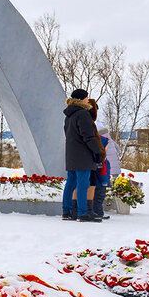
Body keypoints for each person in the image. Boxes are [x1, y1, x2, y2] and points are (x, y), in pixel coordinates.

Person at [62, 89, 102, 222]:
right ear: (81, 99)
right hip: (83, 155)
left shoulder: (69, 115)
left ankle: (67, 211)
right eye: (86, 97)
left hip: (72, 154)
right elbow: (89, 137)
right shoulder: (83, 114)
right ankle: (83, 212)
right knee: (83, 183)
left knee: (71, 183)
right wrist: (97, 152)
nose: (87, 100)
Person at [97, 122, 121, 219]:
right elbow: (117, 148)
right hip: (114, 166)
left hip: (105, 166)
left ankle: (101, 209)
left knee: (101, 188)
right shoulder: (109, 139)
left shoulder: (101, 139)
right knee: (109, 185)